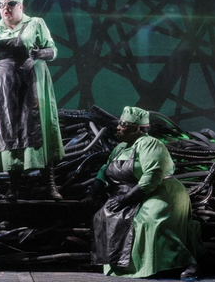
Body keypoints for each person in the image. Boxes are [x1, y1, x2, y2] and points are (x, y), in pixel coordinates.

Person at [0, 0, 64, 200]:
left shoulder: (35, 23)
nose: (5, 9)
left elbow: (53, 50)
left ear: (21, 6)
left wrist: (40, 53)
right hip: (5, 82)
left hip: (32, 80)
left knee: (37, 127)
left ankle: (50, 184)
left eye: (10, 4)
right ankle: (14, 186)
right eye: (2, 5)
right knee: (8, 126)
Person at [83, 106, 205, 279]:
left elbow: (152, 176)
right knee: (102, 216)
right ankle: (120, 264)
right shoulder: (120, 148)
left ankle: (187, 262)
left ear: (138, 128)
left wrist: (126, 199)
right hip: (135, 194)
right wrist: (94, 191)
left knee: (149, 221)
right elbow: (105, 170)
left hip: (161, 191)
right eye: (119, 123)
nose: (118, 127)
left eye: (123, 124)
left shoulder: (150, 144)